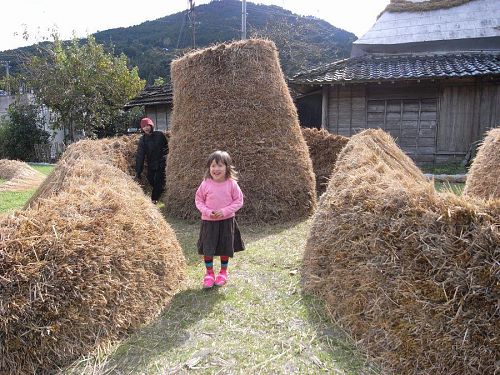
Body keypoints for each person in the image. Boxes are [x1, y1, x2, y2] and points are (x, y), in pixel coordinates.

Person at [195, 150, 245, 288]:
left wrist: (224, 212)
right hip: (208, 222)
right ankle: (209, 273)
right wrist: (207, 211)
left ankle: (223, 272)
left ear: (227, 167)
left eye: (220, 165)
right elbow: (199, 200)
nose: (216, 169)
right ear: (209, 168)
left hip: (226, 222)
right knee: (208, 248)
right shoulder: (205, 183)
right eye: (212, 166)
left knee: (224, 247)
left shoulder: (232, 184)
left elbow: (238, 201)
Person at [135, 117, 168, 204]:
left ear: (151, 126)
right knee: (150, 179)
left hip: (162, 161)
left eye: (148, 125)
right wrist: (138, 171)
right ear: (142, 128)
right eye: (144, 126)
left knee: (158, 179)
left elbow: (167, 146)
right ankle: (161, 190)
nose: (146, 128)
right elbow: (140, 155)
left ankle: (154, 199)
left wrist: (166, 157)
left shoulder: (159, 135)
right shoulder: (143, 140)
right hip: (151, 163)